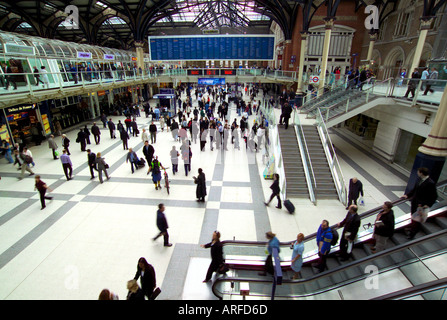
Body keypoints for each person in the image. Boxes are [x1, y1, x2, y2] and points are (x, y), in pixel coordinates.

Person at [402, 167, 438, 239]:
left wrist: (427, 204)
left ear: (421, 173)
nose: (417, 173)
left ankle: (412, 234)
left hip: (422, 205)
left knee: (417, 220)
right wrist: (407, 195)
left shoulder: (430, 183)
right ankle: (412, 228)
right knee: (413, 216)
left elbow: (434, 196)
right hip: (415, 202)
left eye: (418, 172)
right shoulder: (419, 179)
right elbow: (415, 189)